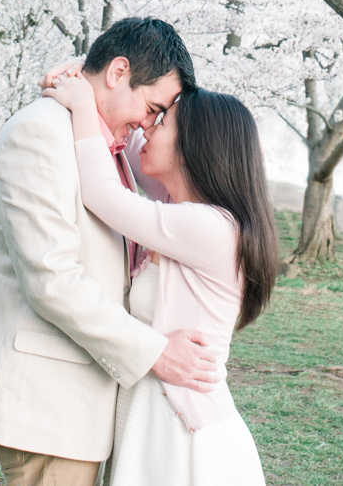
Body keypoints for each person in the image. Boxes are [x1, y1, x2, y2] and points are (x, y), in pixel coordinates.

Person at [0, 17, 220, 486]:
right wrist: (157, 354)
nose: (148, 123)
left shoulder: (100, 138)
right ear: (118, 73)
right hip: (49, 405)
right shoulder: (41, 134)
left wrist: (78, 71)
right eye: (152, 106)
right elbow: (52, 281)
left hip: (82, 403)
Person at [43, 70, 278, 486]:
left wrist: (80, 103)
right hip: (153, 416)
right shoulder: (178, 201)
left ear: (192, 148)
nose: (147, 127)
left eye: (161, 121)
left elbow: (102, 193)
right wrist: (87, 78)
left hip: (182, 434)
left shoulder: (211, 227)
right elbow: (122, 136)